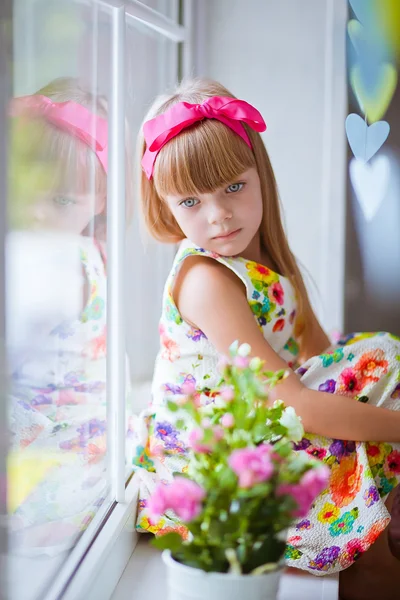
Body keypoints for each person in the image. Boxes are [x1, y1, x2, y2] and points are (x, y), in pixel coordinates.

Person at [131, 77, 400, 599]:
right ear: (167, 207)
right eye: (191, 201)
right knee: (372, 375)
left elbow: (320, 352)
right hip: (219, 457)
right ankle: (369, 558)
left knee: (380, 355)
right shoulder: (207, 279)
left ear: (261, 178)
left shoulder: (265, 260)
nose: (219, 214)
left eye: (234, 187)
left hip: (267, 417)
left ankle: (376, 525)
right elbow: (292, 400)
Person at [7, 76, 132, 554]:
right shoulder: (85, 249)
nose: (38, 214)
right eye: (29, 191)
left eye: (61, 201)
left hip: (49, 455)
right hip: (84, 442)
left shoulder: (52, 264)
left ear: (100, 201)